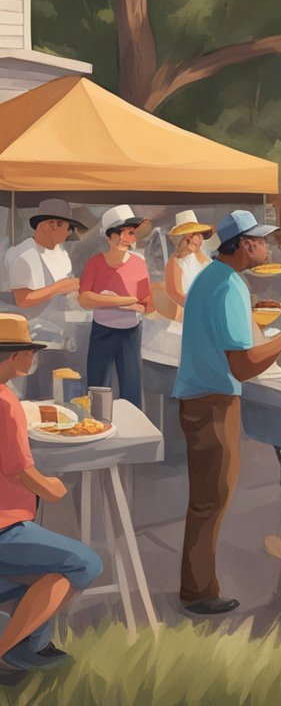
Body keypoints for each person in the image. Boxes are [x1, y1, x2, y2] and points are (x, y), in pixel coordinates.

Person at [174, 211, 281, 615]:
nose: (267, 247)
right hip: (211, 401)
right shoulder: (229, 284)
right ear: (246, 244)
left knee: (208, 497)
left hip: (204, 396)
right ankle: (198, 592)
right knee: (210, 499)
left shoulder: (214, 277)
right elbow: (244, 364)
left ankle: (198, 586)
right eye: (262, 240)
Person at [0, 313, 102, 682]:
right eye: (30, 351)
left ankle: (34, 646)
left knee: (51, 571)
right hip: (4, 527)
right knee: (84, 564)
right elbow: (18, 470)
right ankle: (10, 649)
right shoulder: (6, 402)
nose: (33, 358)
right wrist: (52, 488)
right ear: (14, 356)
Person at [4, 199, 83, 400]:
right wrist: (61, 286)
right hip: (28, 340)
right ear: (50, 225)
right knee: (27, 396)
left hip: (50, 339)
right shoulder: (25, 255)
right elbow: (23, 299)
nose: (68, 233)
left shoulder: (56, 254)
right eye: (67, 227)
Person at [79, 205, 153, 409]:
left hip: (130, 333)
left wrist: (105, 299)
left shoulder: (139, 263)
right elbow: (84, 299)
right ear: (108, 236)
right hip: (102, 331)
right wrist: (127, 301)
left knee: (132, 388)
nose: (126, 238)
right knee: (97, 388)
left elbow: (145, 302)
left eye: (130, 233)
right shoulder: (94, 263)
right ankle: (97, 430)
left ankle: (133, 435)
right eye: (121, 233)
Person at [165, 211, 213, 323]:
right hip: (187, 319)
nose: (194, 239)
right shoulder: (175, 262)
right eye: (189, 235)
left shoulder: (209, 261)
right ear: (180, 239)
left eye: (197, 234)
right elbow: (175, 294)